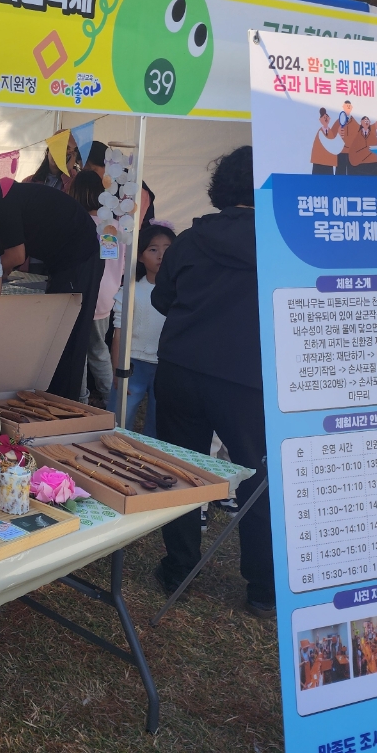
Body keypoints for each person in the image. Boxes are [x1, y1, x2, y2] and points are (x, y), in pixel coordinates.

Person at [151, 145, 275, 619]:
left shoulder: (189, 239)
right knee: (255, 477)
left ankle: (179, 565)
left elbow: (164, 299)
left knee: (181, 471)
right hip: (246, 378)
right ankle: (263, 587)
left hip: (181, 367)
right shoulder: (279, 241)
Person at [0, 179, 102, 398]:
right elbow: (12, 251)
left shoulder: (2, 201)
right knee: (59, 335)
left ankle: (63, 403)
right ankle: (54, 396)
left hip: (78, 260)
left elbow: (16, 256)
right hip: (68, 262)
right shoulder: (4, 196)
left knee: (67, 335)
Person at [109, 223, 175, 435]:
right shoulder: (130, 290)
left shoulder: (182, 290)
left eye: (168, 248)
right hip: (133, 363)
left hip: (166, 365)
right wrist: (118, 369)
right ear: (140, 255)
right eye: (153, 249)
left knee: (160, 423)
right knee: (120, 419)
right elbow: (118, 332)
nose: (161, 255)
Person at [71, 170, 120, 406]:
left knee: (78, 351)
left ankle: (81, 400)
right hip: (108, 295)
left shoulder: (77, 225)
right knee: (100, 349)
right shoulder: (115, 226)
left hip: (83, 293)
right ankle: (111, 397)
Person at [310, 108, 342, 175]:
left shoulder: (331, 132)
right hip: (319, 161)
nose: (326, 119)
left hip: (328, 162)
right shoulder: (320, 132)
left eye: (327, 117)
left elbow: (333, 145)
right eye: (324, 117)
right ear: (320, 120)